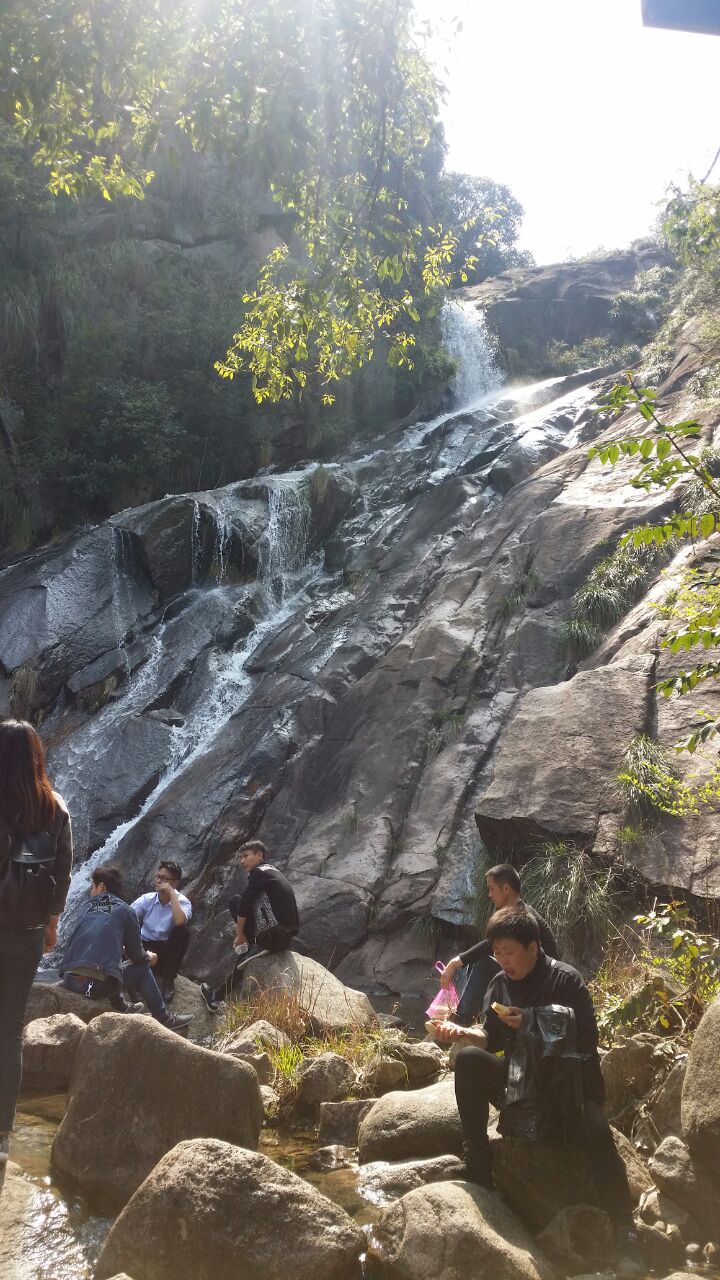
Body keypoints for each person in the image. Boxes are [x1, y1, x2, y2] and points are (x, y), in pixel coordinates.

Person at [433, 907, 636, 1242]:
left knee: (599, 1134)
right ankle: (479, 1164)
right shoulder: (500, 983)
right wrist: (462, 1034)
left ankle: (625, 1228)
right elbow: (490, 1036)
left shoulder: (565, 979)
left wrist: (531, 1020)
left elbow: (586, 1037)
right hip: (521, 1085)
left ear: (533, 947)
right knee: (469, 1059)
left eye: (509, 953)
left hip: (568, 1090)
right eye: (497, 954)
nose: (503, 961)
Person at [0, 719, 73, 1191]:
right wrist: (50, 923)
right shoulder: (55, 806)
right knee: (8, 1034)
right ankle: (3, 1137)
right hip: (25, 930)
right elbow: (63, 870)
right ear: (36, 757)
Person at [61, 864, 193, 1033]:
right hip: (90, 988)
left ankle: (122, 1005)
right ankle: (164, 1018)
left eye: (92, 886)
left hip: (69, 981)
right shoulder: (125, 910)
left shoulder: (86, 907)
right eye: (157, 877)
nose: (90, 891)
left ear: (101, 887)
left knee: (110, 956)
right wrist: (148, 958)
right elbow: (138, 957)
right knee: (142, 968)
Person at [439, 863, 559, 1024]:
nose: (489, 894)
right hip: (528, 979)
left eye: (491, 888)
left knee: (484, 963)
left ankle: (462, 1020)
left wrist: (455, 962)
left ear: (506, 889)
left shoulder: (521, 916)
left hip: (540, 987)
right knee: (477, 962)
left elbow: (489, 945)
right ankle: (475, 1017)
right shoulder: (515, 912)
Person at [201, 840, 299, 1013]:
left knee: (237, 902)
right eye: (241, 857)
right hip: (282, 934)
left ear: (259, 855)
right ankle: (216, 998)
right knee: (238, 904)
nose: (242, 861)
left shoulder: (259, 873)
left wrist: (240, 935)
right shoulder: (271, 871)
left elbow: (245, 904)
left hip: (273, 935)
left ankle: (216, 998)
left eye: (246, 856)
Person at [131, 860, 192, 1003]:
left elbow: (179, 921)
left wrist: (171, 894)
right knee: (125, 926)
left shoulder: (183, 902)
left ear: (176, 882)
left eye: (164, 878)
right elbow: (128, 915)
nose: (158, 881)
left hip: (165, 950)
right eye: (157, 876)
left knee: (183, 931)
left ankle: (168, 979)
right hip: (143, 946)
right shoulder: (147, 899)